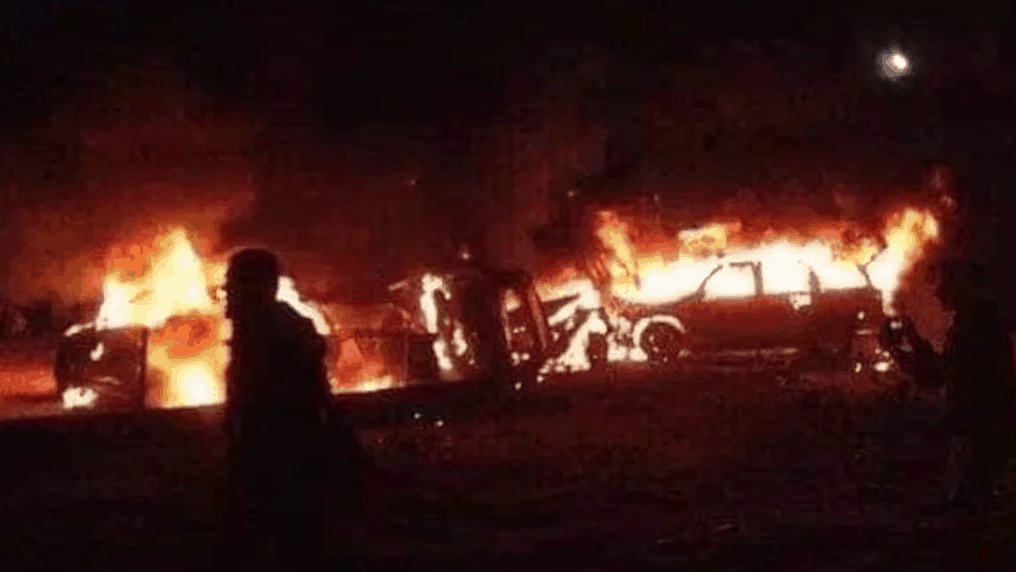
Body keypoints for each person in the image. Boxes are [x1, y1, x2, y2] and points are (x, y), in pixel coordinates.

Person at [219, 248, 352, 571]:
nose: (226, 291)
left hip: (281, 454)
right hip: (266, 453)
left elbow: (304, 391)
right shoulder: (258, 329)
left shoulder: (278, 331)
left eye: (233, 282)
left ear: (256, 287)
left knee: (288, 540)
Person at [939, 257, 1016, 510]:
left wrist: (904, 347)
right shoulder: (983, 321)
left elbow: (941, 373)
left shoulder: (974, 326)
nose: (938, 293)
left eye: (944, 284)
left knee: (971, 505)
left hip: (977, 428)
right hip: (983, 426)